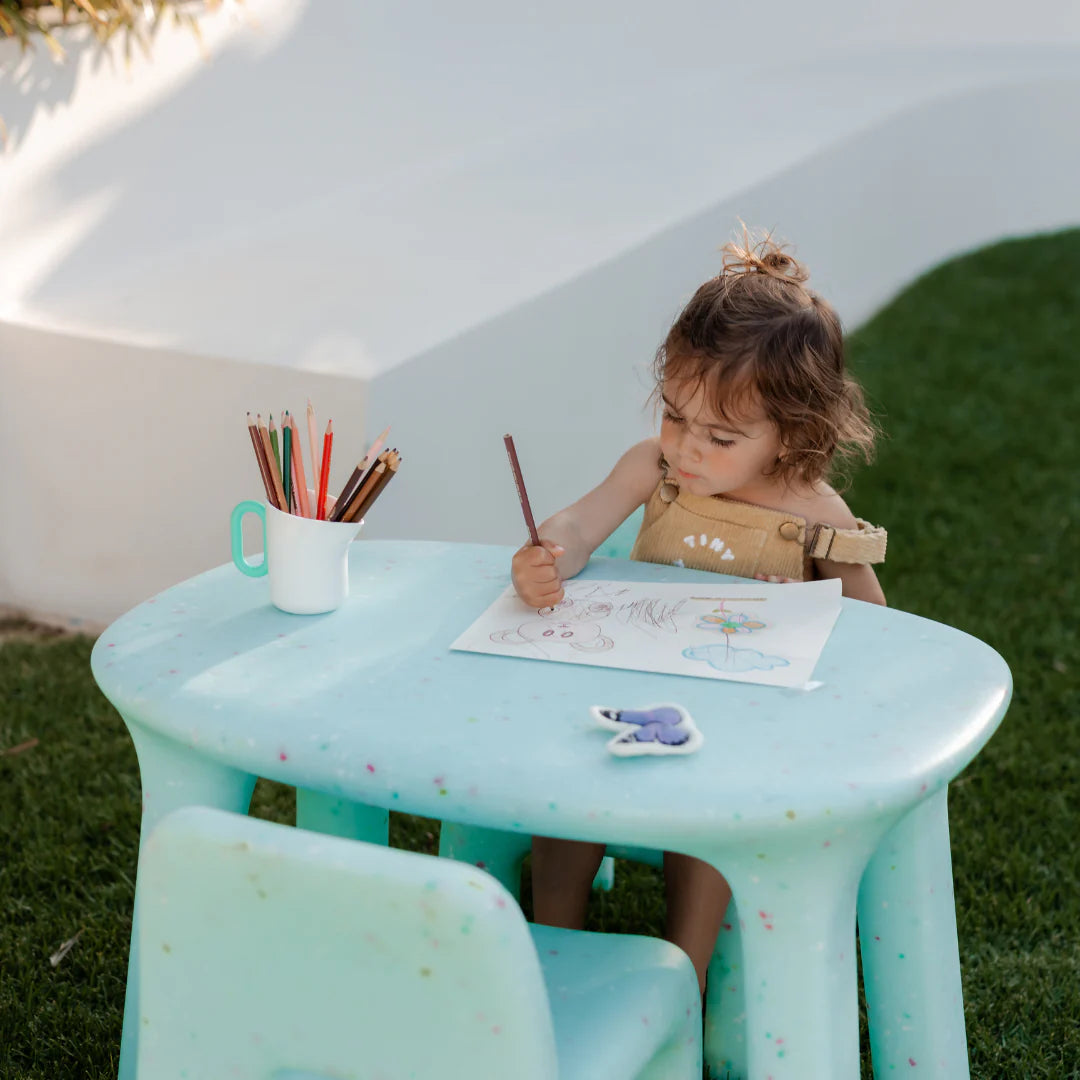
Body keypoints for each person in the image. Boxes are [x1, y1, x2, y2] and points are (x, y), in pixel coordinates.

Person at [511, 230, 888, 994]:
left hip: (740, 729)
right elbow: (582, 524)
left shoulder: (817, 514)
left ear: (793, 437)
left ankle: (688, 969)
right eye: (675, 415)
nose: (686, 448)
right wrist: (548, 553)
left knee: (703, 833)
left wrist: (815, 606)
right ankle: (553, 941)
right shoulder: (656, 470)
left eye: (720, 436)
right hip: (629, 694)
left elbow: (876, 622)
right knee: (563, 796)